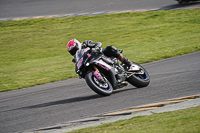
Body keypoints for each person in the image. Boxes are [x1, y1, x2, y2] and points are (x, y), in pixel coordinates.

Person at [66, 39, 132, 70]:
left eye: (74, 50)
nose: (73, 52)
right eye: (71, 51)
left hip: (102, 55)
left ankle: (126, 61)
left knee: (110, 48)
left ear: (77, 45)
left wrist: (96, 48)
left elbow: (98, 43)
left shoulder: (86, 43)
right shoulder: (76, 58)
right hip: (93, 63)